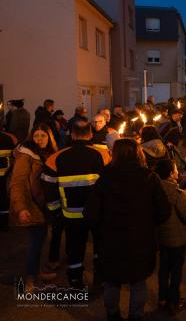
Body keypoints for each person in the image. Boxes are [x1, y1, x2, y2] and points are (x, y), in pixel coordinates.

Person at [84, 139, 171, 321]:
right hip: (140, 239)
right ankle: (135, 316)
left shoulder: (105, 178)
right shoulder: (149, 177)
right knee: (138, 282)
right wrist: (148, 222)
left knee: (112, 281)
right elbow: (164, 211)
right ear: (138, 153)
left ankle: (113, 315)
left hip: (110, 240)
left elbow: (91, 213)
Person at [41, 118, 111, 289]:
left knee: (74, 248)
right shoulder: (103, 155)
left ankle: (75, 283)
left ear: (71, 134)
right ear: (91, 134)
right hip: (98, 213)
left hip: (70, 214)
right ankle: (100, 279)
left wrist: (56, 212)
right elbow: (111, 184)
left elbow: (48, 189)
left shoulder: (55, 158)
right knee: (100, 245)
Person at [9, 124, 59, 289]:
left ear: (49, 137)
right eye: (36, 135)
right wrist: (21, 207)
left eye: (43, 135)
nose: (39, 139)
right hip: (32, 204)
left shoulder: (48, 153)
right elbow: (18, 182)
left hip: (44, 205)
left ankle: (37, 273)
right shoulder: (26, 155)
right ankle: (30, 279)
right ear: (31, 137)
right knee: (35, 242)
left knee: (41, 238)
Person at [156, 159, 186, 315]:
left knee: (163, 268)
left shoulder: (156, 189)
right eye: (175, 169)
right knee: (176, 270)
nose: (177, 172)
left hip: (161, 237)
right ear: (170, 173)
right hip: (177, 239)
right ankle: (173, 301)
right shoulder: (177, 193)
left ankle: (162, 298)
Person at [0, 129, 18, 230]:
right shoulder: (9, 137)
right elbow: (15, 154)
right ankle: (5, 223)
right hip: (6, 175)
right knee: (4, 200)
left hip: (5, 175)